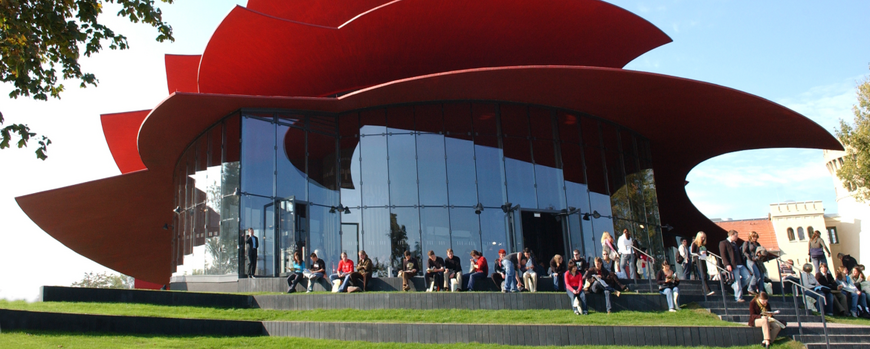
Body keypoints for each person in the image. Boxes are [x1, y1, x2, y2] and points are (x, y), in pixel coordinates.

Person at [720, 230, 751, 302]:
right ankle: (738, 297)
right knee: (737, 281)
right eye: (736, 236)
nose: (737, 237)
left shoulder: (735, 244)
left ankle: (735, 287)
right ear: (731, 235)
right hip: (733, 265)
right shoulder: (723, 243)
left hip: (740, 264)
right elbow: (723, 255)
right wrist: (727, 264)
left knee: (748, 277)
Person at [691, 231, 714, 296]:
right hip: (698, 259)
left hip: (703, 259)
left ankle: (704, 290)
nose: (703, 239)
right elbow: (692, 252)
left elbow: (706, 251)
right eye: (702, 237)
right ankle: (707, 290)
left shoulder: (703, 244)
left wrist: (707, 254)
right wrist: (699, 254)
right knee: (703, 275)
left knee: (705, 274)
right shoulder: (695, 243)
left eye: (704, 238)